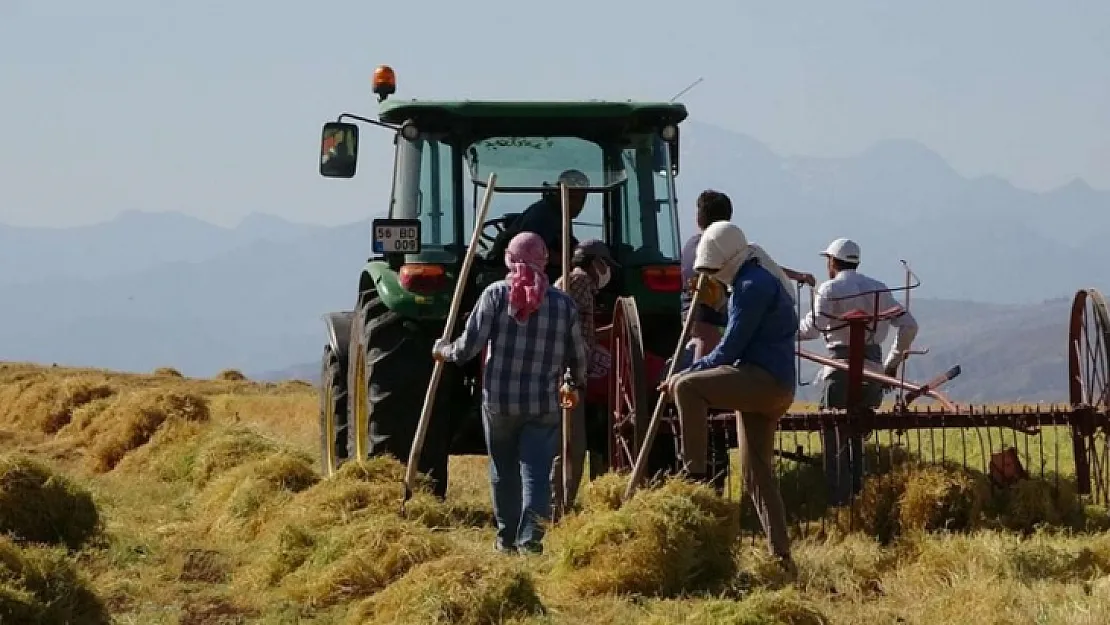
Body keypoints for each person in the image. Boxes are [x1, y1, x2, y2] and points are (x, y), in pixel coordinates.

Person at [433, 232, 587, 555]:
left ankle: (506, 541)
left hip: (499, 402)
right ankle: (531, 540)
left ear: (510, 259)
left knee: (503, 471)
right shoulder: (564, 304)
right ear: (545, 261)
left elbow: (467, 349)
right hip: (542, 404)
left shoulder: (495, 296)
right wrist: (574, 382)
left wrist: (443, 350)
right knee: (536, 473)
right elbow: (578, 356)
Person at [659, 221, 799, 575]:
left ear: (724, 259)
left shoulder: (750, 287)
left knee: (688, 389)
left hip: (761, 380)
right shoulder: (759, 277)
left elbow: (727, 350)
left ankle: (694, 475)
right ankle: (782, 558)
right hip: (773, 384)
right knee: (756, 475)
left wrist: (684, 374)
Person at [797, 237, 919, 505]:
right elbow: (909, 325)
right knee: (859, 430)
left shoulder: (829, 289)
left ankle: (838, 503)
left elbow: (811, 329)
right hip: (873, 370)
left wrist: (782, 332)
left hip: (837, 368)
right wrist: (891, 364)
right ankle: (861, 497)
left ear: (832, 262)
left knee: (834, 435)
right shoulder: (879, 288)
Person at [680, 190, 814, 360]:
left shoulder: (690, 245)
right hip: (712, 319)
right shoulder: (722, 249)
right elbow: (751, 262)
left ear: (698, 218)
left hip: (688, 317)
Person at [550, 239, 618, 513]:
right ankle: (559, 506)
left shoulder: (577, 284)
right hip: (567, 376)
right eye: (605, 264)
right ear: (594, 263)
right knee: (571, 445)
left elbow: (581, 329)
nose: (607, 271)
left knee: (569, 445)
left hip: (568, 372)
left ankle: (560, 503)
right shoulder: (577, 282)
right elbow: (570, 331)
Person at [492, 169, 589, 280]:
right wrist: (575, 261)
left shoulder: (560, 213)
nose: (578, 205)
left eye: (582, 199)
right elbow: (533, 256)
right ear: (559, 193)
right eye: (572, 198)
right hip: (527, 275)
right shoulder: (543, 216)